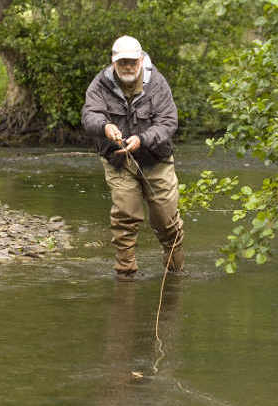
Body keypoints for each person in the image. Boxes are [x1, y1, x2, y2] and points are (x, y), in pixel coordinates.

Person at [82, 35, 184, 281]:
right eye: (122, 62)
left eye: (131, 62)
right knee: (125, 216)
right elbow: (90, 115)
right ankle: (125, 276)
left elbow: (168, 121)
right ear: (113, 62)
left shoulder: (157, 83)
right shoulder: (100, 85)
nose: (127, 67)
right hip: (117, 160)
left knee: (166, 221)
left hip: (155, 158)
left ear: (140, 60)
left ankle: (175, 274)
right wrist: (106, 127)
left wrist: (143, 139)